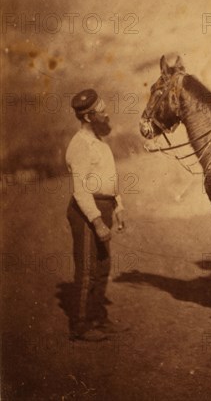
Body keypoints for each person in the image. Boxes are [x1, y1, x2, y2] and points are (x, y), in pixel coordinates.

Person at [65, 89, 128, 342]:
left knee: (103, 266)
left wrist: (119, 207)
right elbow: (81, 192)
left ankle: (98, 318)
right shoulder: (79, 146)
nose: (107, 113)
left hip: (104, 207)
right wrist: (97, 222)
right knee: (88, 269)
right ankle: (80, 325)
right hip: (86, 212)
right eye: (102, 111)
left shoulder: (100, 143)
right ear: (89, 117)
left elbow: (109, 182)